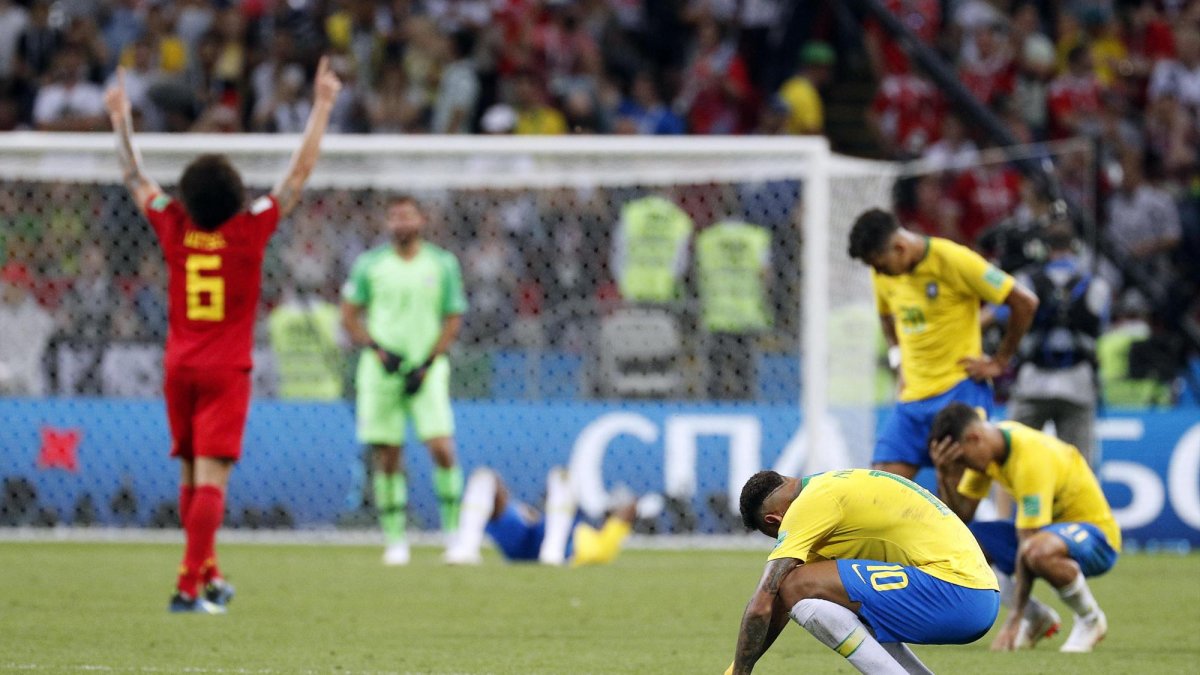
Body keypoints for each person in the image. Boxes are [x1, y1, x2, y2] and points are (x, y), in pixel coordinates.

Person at [105, 57, 341, 613]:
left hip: (179, 365)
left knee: (189, 472)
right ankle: (189, 585)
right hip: (226, 369)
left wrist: (120, 119)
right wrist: (323, 104)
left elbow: (135, 177)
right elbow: (299, 173)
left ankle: (209, 576)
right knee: (213, 478)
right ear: (234, 194)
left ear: (189, 195)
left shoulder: (174, 226)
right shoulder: (250, 230)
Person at [728, 469, 999, 674]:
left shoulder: (808, 506)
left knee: (795, 584)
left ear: (773, 521)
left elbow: (765, 601)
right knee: (814, 594)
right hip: (978, 593)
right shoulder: (830, 486)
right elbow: (779, 606)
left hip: (958, 595)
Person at [847, 208, 1039, 479]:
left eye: (880, 265)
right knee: (879, 492)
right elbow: (887, 318)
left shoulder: (954, 260)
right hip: (911, 400)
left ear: (900, 247)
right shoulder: (883, 273)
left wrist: (1000, 361)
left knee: (955, 507)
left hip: (959, 393)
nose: (879, 273)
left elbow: (1025, 302)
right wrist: (898, 359)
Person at [929, 402, 1120, 653]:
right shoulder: (990, 449)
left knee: (1036, 550)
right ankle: (1037, 616)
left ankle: (1090, 620)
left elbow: (1029, 542)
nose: (964, 467)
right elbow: (960, 517)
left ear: (974, 438)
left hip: (1096, 538)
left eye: (962, 460)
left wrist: (1013, 618)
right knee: (965, 544)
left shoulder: (1030, 458)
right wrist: (944, 474)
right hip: (1049, 535)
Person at [340, 195, 468, 566]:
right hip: (382, 369)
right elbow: (349, 316)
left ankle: (453, 534)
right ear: (387, 224)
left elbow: (453, 317)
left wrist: (428, 362)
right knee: (387, 455)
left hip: (427, 369)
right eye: (394, 217)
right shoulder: (370, 265)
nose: (400, 222)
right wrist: (378, 349)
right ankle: (396, 540)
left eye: (407, 216)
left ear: (421, 220)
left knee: (441, 447)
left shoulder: (443, 264)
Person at [1005, 223, 1110, 465]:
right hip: (1078, 384)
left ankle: (1006, 505)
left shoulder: (1025, 281)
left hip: (1031, 382)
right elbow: (1100, 329)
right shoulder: (1096, 284)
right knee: (1078, 467)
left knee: (1011, 459)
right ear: (1075, 247)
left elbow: (1007, 319)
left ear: (1044, 248)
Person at [443, 467, 635, 567]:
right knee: (560, 477)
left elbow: (626, 513)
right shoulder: (596, 537)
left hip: (556, 545)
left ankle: (466, 547)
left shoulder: (605, 544)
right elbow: (626, 512)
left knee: (562, 478)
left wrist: (627, 506)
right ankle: (552, 551)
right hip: (544, 533)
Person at [695, 219, 772, 399]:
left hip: (717, 313)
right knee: (745, 368)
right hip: (747, 312)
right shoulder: (757, 237)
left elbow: (698, 274)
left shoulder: (707, 238)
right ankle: (745, 400)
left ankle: (714, 403)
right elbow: (766, 276)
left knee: (716, 368)